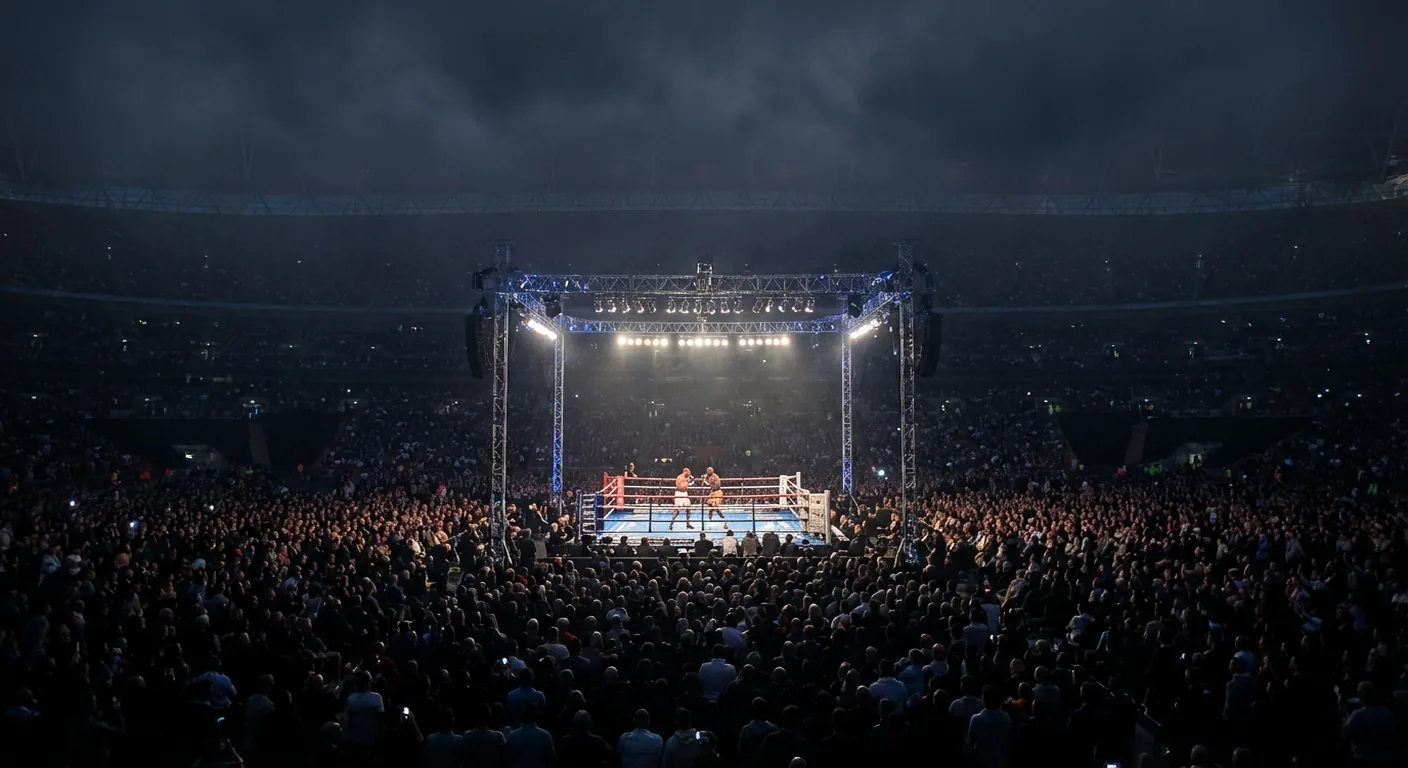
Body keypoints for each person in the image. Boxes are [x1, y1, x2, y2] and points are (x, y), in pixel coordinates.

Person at [966, 685, 1011, 768]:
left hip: (981, 761)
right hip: (1000, 761)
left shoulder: (976, 719)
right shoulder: (1006, 718)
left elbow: (970, 743)